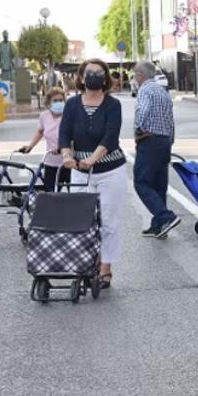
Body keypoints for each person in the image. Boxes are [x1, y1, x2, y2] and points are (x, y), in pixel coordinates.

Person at [59, 59, 126, 289]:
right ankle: (87, 262)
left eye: (99, 73)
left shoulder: (112, 105)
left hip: (110, 169)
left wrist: (92, 159)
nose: (94, 77)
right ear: (81, 77)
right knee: (83, 219)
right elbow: (64, 133)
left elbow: (110, 137)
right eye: (90, 73)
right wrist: (67, 155)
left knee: (108, 220)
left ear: (106, 78)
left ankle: (105, 266)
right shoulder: (72, 105)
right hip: (79, 170)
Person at [133, 61, 180, 238]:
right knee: (159, 184)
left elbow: (142, 113)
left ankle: (166, 216)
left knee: (142, 182)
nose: (134, 78)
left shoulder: (145, 90)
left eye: (135, 74)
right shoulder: (162, 92)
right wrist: (170, 140)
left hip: (150, 140)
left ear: (140, 75)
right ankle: (159, 225)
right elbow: (170, 119)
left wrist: (138, 132)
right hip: (165, 141)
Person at [18, 88, 69, 192]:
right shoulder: (44, 116)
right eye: (55, 101)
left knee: (75, 195)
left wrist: (63, 147)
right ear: (49, 103)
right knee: (50, 195)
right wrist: (30, 146)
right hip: (51, 161)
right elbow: (40, 131)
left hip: (69, 162)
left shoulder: (69, 115)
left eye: (61, 100)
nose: (58, 103)